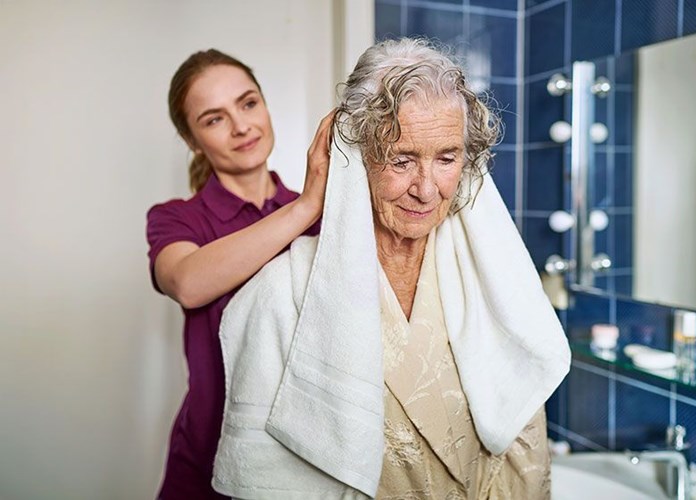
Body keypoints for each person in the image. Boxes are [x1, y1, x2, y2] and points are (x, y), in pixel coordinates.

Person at [211, 38, 571, 499]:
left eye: (447, 158)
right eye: (402, 160)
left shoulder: (493, 281)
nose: (427, 189)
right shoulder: (283, 295)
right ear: (357, 157)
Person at [145, 49, 333, 500]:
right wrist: (305, 207)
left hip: (303, 462)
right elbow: (188, 283)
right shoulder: (177, 219)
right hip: (205, 464)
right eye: (214, 119)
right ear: (192, 140)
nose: (241, 126)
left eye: (248, 103)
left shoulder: (326, 217)